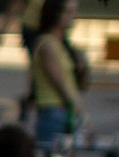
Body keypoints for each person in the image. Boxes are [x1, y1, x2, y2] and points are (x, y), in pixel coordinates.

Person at [27, 0, 85, 146]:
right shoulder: (47, 44)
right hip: (53, 109)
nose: (74, 16)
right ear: (55, 15)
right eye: (69, 12)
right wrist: (77, 108)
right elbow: (60, 83)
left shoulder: (62, 44)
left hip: (63, 110)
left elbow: (78, 82)